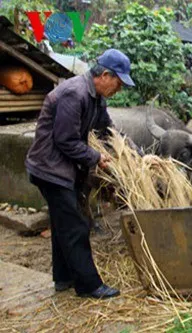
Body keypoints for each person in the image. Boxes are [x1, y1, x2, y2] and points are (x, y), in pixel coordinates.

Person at [25, 49, 135, 299]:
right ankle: (88, 285)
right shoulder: (74, 94)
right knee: (76, 226)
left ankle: (63, 278)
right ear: (105, 75)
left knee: (63, 224)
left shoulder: (96, 98)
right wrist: (96, 158)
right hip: (50, 169)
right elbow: (65, 140)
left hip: (62, 168)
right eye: (118, 83)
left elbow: (108, 132)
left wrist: (133, 153)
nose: (119, 89)